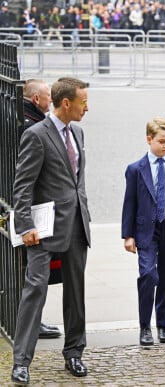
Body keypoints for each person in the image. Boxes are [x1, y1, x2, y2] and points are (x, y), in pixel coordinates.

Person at [11, 77, 91, 384]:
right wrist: (25, 225)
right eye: (83, 102)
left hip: (76, 225)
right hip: (42, 229)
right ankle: (21, 362)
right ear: (67, 103)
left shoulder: (79, 132)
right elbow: (23, 184)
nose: (87, 107)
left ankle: (74, 353)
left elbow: (76, 180)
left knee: (76, 292)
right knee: (35, 291)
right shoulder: (36, 134)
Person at [121, 117, 165, 347]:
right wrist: (128, 235)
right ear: (149, 140)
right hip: (146, 230)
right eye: (162, 141)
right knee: (148, 275)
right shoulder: (135, 169)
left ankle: (163, 325)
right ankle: (144, 327)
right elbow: (129, 204)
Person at [20, 79, 64, 341]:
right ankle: (31, 324)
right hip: (36, 210)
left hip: (33, 209)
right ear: (37, 100)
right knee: (35, 276)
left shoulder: (27, 118)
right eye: (48, 96)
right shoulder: (35, 127)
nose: (51, 100)